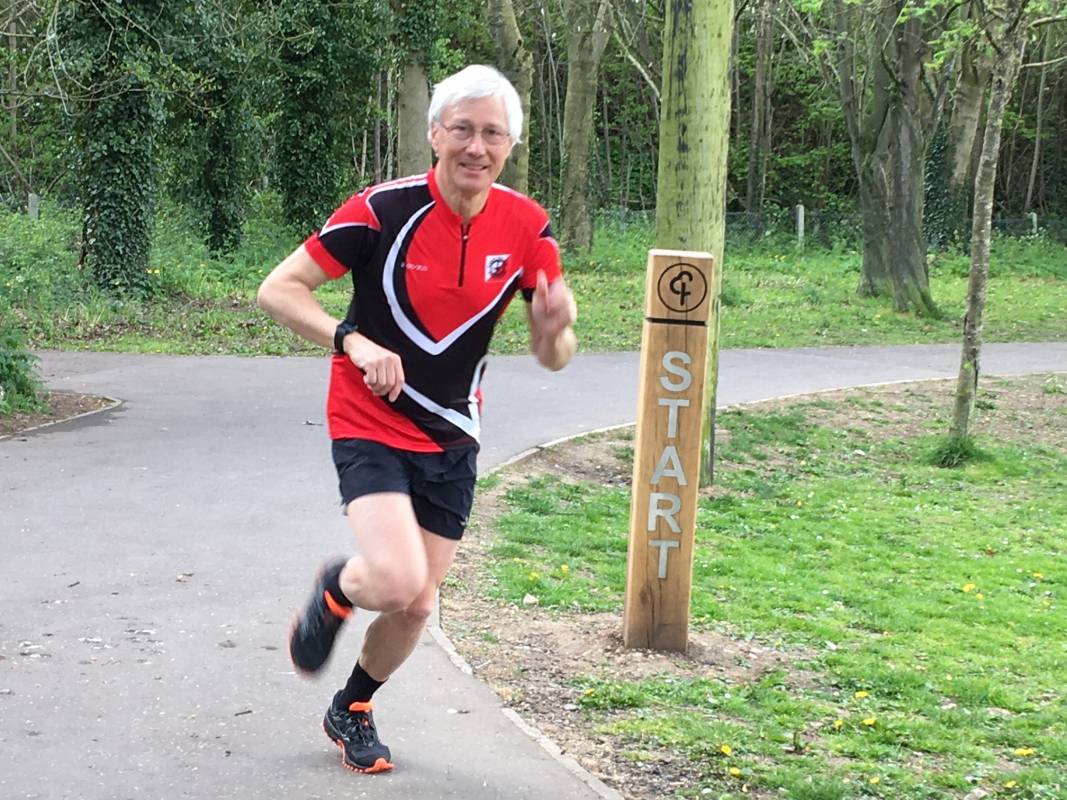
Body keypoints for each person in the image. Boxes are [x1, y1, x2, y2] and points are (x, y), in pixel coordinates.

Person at [257, 64, 577, 775]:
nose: (475, 146)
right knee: (398, 579)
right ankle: (341, 586)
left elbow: (553, 355)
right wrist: (353, 339)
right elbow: (278, 289)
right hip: (367, 414)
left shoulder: (526, 226)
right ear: (434, 133)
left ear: (509, 146)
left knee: (417, 605)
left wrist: (554, 329)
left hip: (452, 432)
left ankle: (354, 707)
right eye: (461, 129)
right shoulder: (381, 210)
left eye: (491, 133)